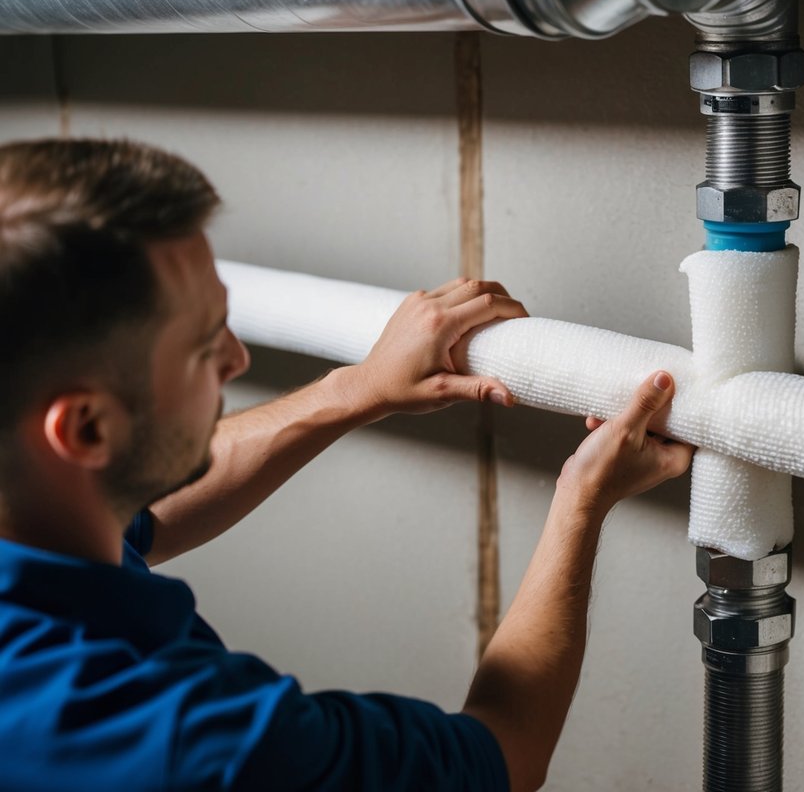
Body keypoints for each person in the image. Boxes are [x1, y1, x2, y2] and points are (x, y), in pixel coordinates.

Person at [0, 138, 694, 791]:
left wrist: (355, 388)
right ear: (86, 427)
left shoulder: (38, 512)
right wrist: (581, 501)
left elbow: (132, 515)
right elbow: (502, 754)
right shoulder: (187, 738)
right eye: (204, 344)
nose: (237, 360)